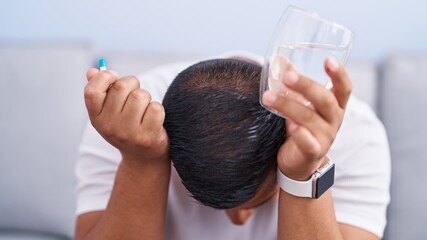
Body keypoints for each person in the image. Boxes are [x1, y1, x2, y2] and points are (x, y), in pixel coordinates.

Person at [75, 52, 390, 240]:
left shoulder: (356, 133)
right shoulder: (123, 125)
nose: (239, 221)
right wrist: (142, 161)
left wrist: (303, 174)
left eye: (257, 202)